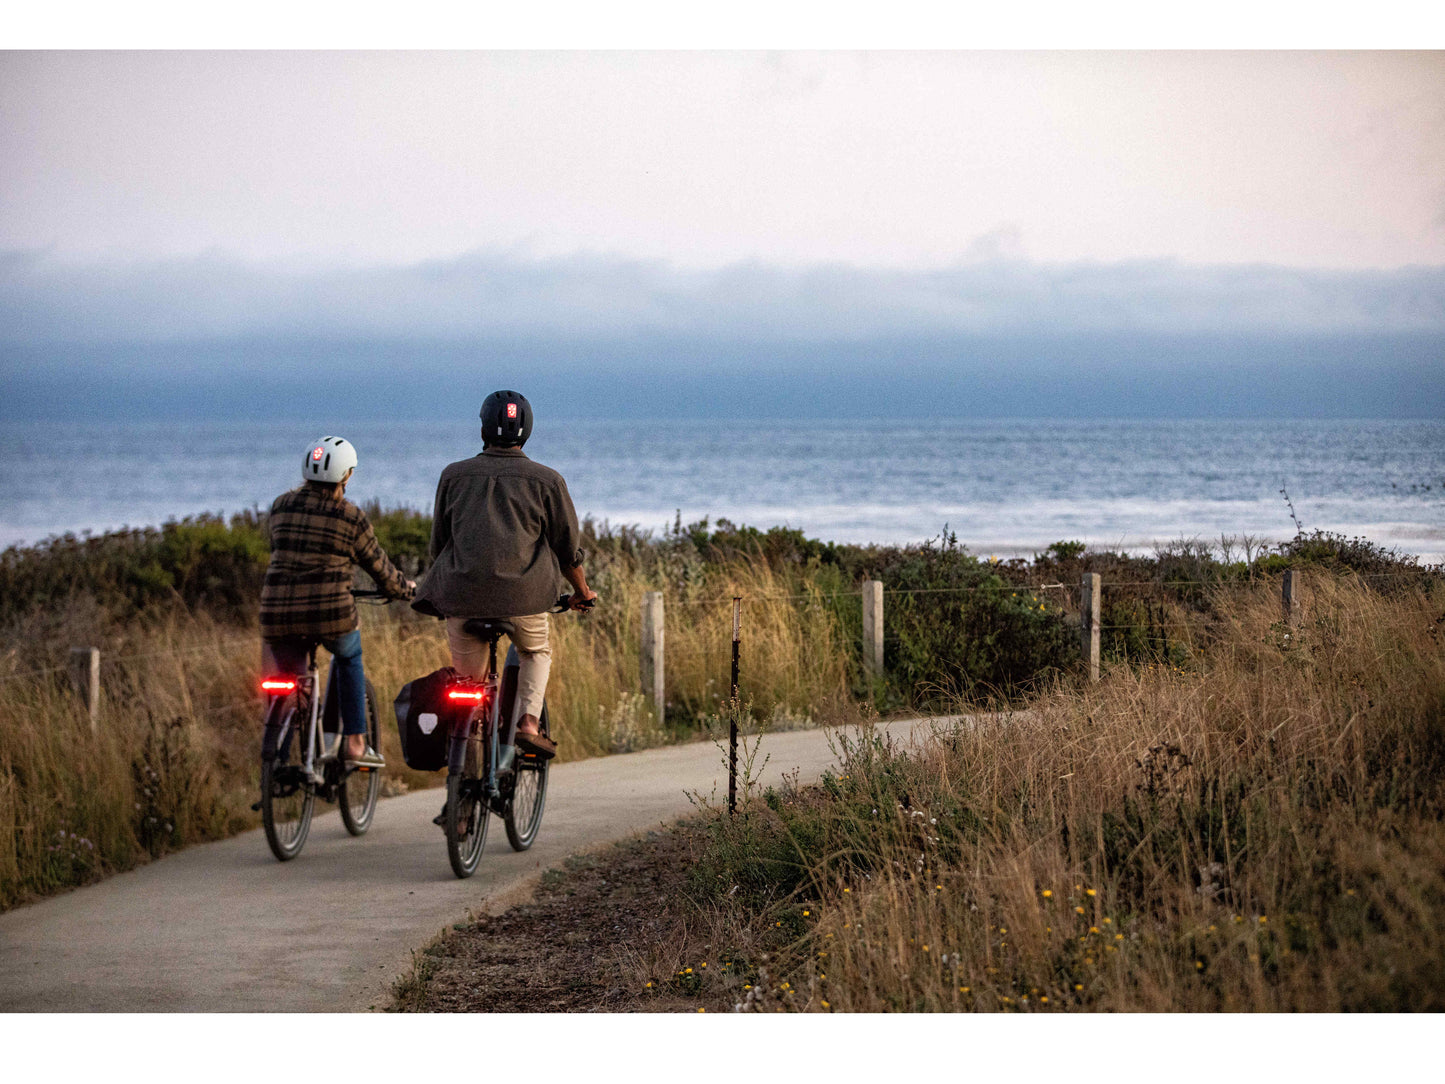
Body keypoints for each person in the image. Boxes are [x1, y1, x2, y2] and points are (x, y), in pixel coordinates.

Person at [413, 390, 597, 760]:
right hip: (524, 602)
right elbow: (567, 549)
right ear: (527, 429)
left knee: (468, 689)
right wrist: (583, 591)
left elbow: (439, 545)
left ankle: (461, 799)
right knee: (535, 651)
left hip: (461, 600)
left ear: (482, 427)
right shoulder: (547, 480)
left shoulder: (453, 475)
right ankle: (528, 723)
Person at [260, 435, 415, 768]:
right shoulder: (350, 517)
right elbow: (381, 570)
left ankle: (282, 756)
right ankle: (356, 743)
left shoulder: (280, 506)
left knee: (290, 680)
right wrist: (405, 589)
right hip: (330, 615)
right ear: (346, 476)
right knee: (349, 655)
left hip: (276, 615)